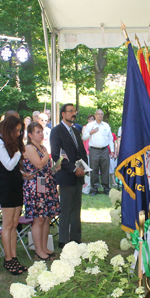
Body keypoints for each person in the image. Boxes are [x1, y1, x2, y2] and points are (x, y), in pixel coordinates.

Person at [0, 111, 27, 274]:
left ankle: (14, 257)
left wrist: (23, 174)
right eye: (16, 131)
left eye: (20, 131)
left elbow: (12, 168)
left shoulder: (8, 143)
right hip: (6, 187)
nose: (18, 134)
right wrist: (18, 152)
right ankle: (8, 259)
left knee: (14, 224)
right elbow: (8, 166)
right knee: (8, 224)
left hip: (16, 184)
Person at [50, 103, 88, 248]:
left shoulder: (76, 130)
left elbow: (81, 153)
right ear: (63, 114)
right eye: (70, 111)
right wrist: (73, 169)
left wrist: (83, 168)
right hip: (66, 175)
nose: (74, 113)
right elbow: (56, 155)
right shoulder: (56, 131)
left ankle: (76, 239)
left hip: (78, 176)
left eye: (74, 111)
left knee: (76, 208)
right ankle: (64, 240)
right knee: (65, 208)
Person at [23, 122, 60, 260]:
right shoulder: (30, 148)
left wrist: (55, 167)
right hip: (35, 187)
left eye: (42, 131)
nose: (41, 134)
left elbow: (45, 167)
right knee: (38, 219)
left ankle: (44, 247)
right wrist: (47, 156)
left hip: (46, 184)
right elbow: (38, 164)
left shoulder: (42, 148)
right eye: (37, 132)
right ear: (30, 135)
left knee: (46, 217)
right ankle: (38, 250)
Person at [82, 109, 114, 195]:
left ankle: (106, 188)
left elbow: (110, 139)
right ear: (95, 116)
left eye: (101, 114)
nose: (100, 115)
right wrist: (90, 133)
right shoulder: (90, 125)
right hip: (93, 150)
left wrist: (112, 150)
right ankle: (94, 188)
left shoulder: (106, 126)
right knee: (94, 169)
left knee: (105, 169)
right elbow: (84, 137)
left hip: (104, 150)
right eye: (98, 114)